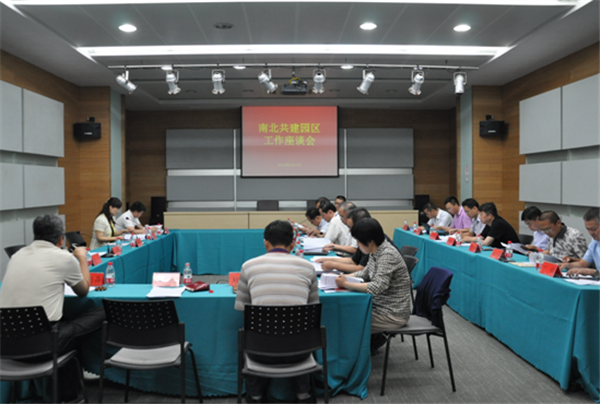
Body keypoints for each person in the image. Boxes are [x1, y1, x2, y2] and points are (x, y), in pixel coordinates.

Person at [0, 215, 105, 402]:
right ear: (61, 239)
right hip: (44, 346)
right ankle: (74, 388)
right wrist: (82, 258)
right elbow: (83, 291)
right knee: (101, 311)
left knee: (64, 324)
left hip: (7, 344)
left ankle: (68, 392)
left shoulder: (17, 256)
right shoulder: (64, 258)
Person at [234, 220, 319, 403]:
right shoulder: (308, 268)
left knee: (252, 335)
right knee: (301, 334)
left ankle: (255, 396)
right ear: (293, 244)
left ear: (265, 243)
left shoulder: (248, 267)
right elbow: (312, 312)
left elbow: (245, 314)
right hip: (300, 350)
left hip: (260, 350)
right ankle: (303, 395)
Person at [334, 218, 411, 354]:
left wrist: (346, 284)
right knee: (344, 314)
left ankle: (354, 358)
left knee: (345, 321)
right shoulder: (376, 251)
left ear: (370, 242)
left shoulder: (387, 254)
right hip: (378, 306)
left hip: (392, 314)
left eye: (358, 241)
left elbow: (377, 286)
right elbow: (365, 273)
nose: (357, 245)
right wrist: (343, 278)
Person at [559, 208, 599, 278]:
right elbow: (583, 264)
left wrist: (590, 272)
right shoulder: (594, 241)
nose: (591, 233)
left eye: (594, 229)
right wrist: (566, 265)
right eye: (588, 229)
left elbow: (587, 269)